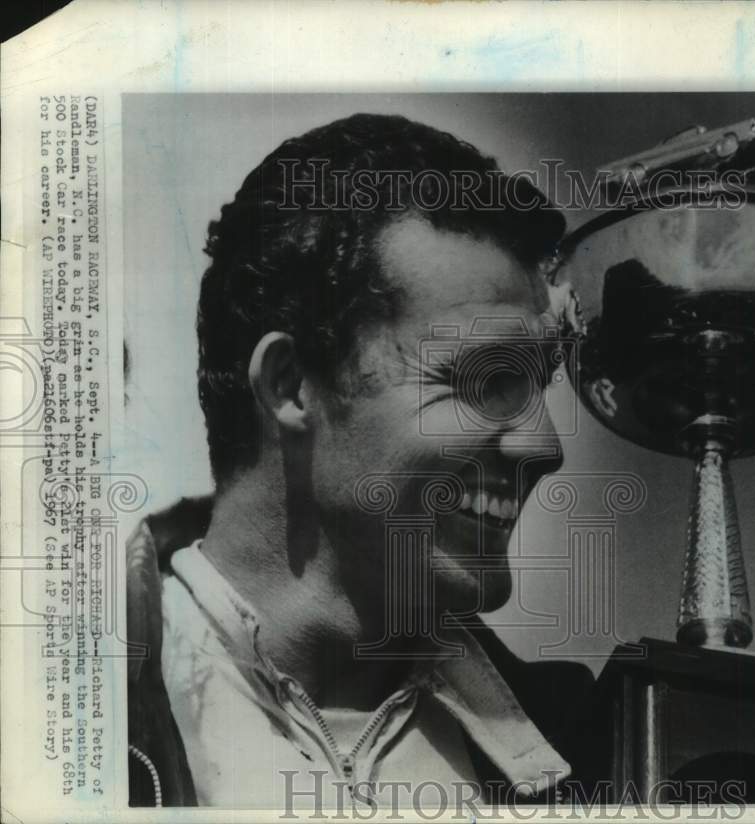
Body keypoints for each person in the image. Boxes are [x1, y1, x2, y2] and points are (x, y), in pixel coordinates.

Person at [126, 113, 594, 810]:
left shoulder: (590, 747)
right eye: (484, 381)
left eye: (539, 386)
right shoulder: (70, 708)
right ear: (291, 386)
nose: (544, 445)